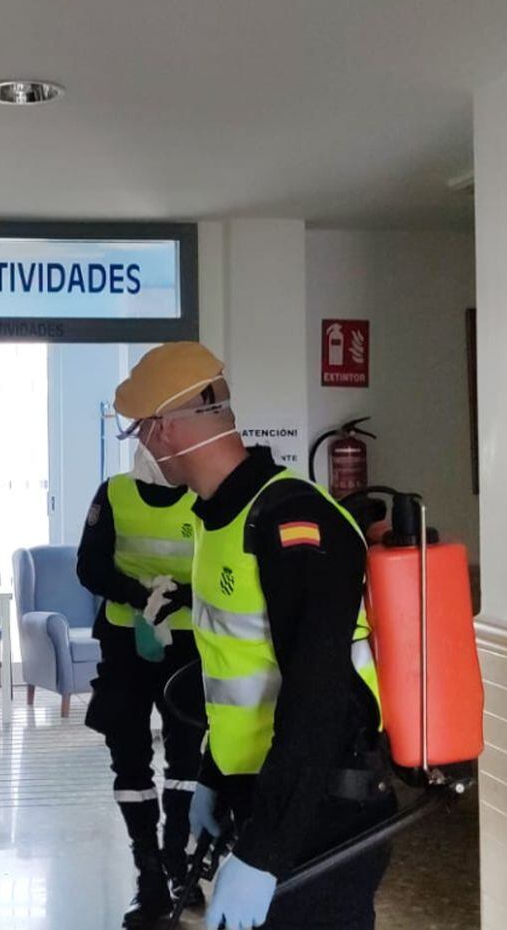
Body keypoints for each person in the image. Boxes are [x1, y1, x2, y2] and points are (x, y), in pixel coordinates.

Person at [114, 342, 391, 930]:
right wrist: (217, 776)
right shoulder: (219, 520)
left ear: (165, 429)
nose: (142, 448)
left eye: (139, 432)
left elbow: (319, 704)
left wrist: (265, 853)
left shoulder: (294, 525)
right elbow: (241, 673)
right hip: (267, 796)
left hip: (323, 809)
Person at [77, 458, 207, 928]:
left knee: (186, 759)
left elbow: (224, 568)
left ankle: (178, 861)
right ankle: (148, 875)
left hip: (187, 646)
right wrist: (137, 594)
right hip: (124, 643)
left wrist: (183, 595)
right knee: (129, 760)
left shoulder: (204, 493)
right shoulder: (114, 493)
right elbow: (89, 566)